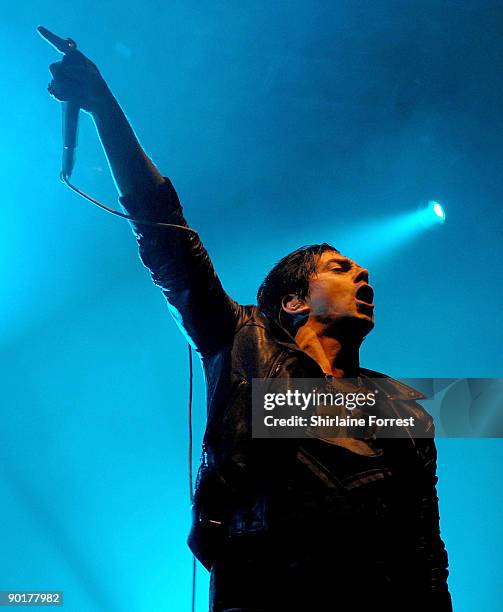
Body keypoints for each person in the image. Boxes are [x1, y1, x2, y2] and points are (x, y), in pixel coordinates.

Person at [45, 43, 453, 612]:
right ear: (292, 301)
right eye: (341, 270)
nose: (364, 278)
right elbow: (165, 231)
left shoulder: (405, 407)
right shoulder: (244, 343)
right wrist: (105, 109)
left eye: (363, 273)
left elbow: (426, 548)